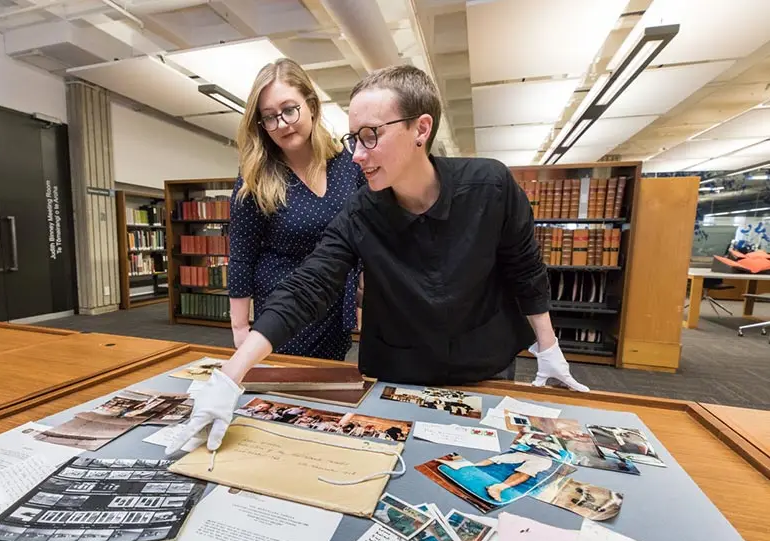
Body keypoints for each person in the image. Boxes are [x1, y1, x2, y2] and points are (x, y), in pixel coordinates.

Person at [165, 64, 587, 456]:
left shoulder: (490, 185)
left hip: (483, 364)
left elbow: (524, 268)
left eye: (370, 136)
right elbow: (309, 285)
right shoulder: (361, 210)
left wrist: (548, 348)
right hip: (395, 371)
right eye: (353, 139)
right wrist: (230, 374)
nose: (356, 155)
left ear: (420, 128)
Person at [228, 58, 364, 361]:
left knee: (327, 395)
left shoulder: (348, 164)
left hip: (333, 311)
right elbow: (241, 255)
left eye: (290, 110)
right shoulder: (256, 177)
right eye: (269, 117)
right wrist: (240, 327)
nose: (282, 124)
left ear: (312, 105)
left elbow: (363, 234)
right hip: (283, 313)